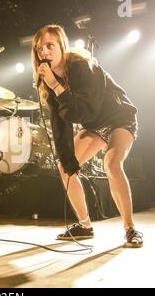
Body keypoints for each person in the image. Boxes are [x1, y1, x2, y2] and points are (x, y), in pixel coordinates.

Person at [31, 24, 143, 248]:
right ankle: (84, 225)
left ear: (62, 46)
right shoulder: (49, 84)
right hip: (95, 125)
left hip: (119, 117)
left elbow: (84, 111)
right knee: (65, 167)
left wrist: (56, 85)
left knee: (111, 164)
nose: (44, 52)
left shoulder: (83, 66)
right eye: (39, 49)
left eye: (49, 46)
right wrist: (68, 159)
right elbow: (59, 124)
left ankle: (130, 229)